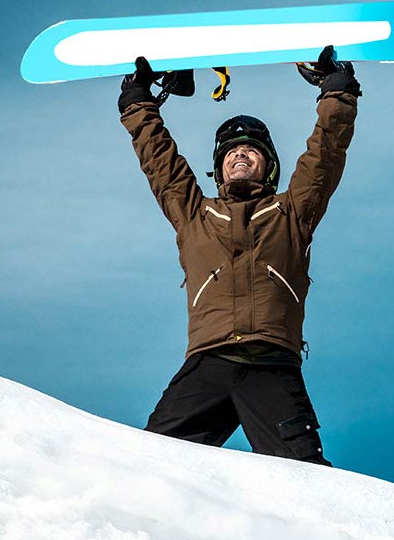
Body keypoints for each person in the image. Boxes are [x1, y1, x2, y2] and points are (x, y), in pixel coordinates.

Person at [117, 46, 360, 465]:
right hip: (207, 363)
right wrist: (139, 102)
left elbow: (325, 157)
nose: (239, 155)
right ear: (219, 168)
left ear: (269, 167)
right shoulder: (196, 215)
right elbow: (161, 164)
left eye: (250, 150)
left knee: (310, 480)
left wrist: (336, 92)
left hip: (271, 363)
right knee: (150, 466)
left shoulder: (291, 213)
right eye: (230, 153)